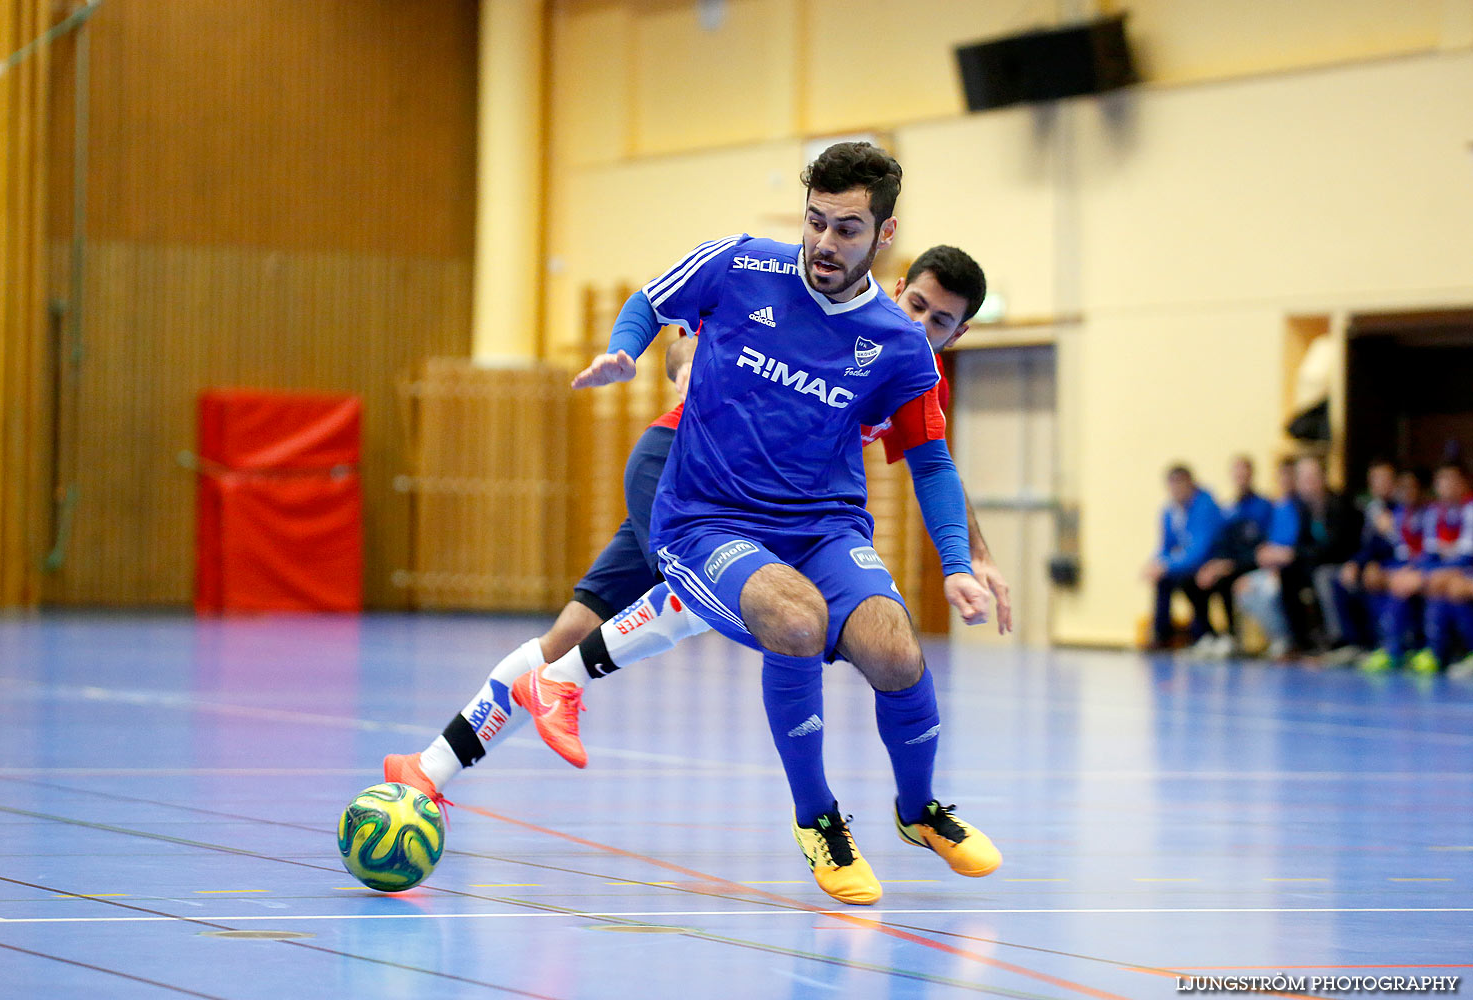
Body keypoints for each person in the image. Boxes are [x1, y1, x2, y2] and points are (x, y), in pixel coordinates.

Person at [385, 241, 1011, 895]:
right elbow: (702, 322)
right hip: (694, 481)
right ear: (897, 281)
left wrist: (974, 557)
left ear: (959, 333)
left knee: (571, 632)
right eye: (915, 305)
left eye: (938, 322)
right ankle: (560, 684)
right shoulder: (830, 310)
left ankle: (427, 767)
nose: (919, 325)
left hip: (752, 508)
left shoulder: (904, 367)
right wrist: (675, 354)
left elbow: (932, 462)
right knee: (727, 600)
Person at [550, 142, 999, 906]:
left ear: (883, 237)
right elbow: (650, 306)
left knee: (893, 647)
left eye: (848, 229)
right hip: (705, 520)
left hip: (824, 528)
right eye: (817, 221)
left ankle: (919, 809)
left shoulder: (898, 346)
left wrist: (957, 563)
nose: (826, 243)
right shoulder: (738, 264)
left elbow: (931, 463)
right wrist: (626, 352)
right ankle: (817, 817)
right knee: (794, 618)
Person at [1374, 462, 1473, 674]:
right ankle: (1395, 649)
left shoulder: (1469, 509)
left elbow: (1466, 555)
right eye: (1442, 480)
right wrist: (1417, 571)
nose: (1446, 485)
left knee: (1450, 587)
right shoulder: (1435, 512)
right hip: (1440, 566)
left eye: (1451, 480)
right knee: (1398, 580)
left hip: (1463, 568)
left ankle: (1443, 651)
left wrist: (1436, 572)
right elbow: (1431, 552)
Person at [1274, 454, 1361, 655]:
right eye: (1303, 479)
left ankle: (1340, 640)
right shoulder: (1303, 508)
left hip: (1343, 561)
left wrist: (1294, 554)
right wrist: (1289, 556)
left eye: (1311, 478)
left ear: (1323, 477)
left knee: (1322, 576)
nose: (1307, 484)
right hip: (1314, 561)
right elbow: (1302, 542)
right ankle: (1301, 641)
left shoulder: (1340, 504)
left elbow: (1335, 546)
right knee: (1287, 574)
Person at [1190, 456, 1273, 658]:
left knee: (1225, 581)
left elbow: (1261, 545)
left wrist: (1230, 564)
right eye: (1236, 472)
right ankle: (1208, 635)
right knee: (1193, 580)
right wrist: (1212, 564)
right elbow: (1220, 542)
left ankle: (1233, 636)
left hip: (1250, 563)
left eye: (1244, 471)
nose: (1240, 476)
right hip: (1228, 563)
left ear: (1251, 474)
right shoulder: (1227, 508)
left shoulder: (1263, 506)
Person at [1323, 459, 1399, 664]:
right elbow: (1367, 544)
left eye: (1385, 478)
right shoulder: (1370, 508)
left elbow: (1400, 547)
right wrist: (1356, 562)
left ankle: (1385, 644)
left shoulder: (1402, 509)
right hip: (1372, 562)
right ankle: (1352, 643)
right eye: (1375, 479)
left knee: (1372, 580)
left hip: (1394, 564)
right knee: (1333, 577)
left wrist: (1391, 530)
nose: (1379, 483)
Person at [1354, 470, 1430, 672]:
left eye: (1411, 488)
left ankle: (1412, 648)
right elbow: (1380, 547)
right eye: (1402, 488)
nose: (1406, 492)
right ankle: (1385, 645)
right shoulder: (1396, 514)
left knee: (1401, 587)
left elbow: (1429, 551)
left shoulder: (1429, 513)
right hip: (1399, 566)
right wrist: (1370, 565)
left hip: (1424, 567)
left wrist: (1413, 570)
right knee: (1373, 579)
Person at [1141, 465, 1223, 651]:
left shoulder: (1205, 506)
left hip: (1210, 562)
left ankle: (1204, 633)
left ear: (1191, 484)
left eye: (1180, 485)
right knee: (1162, 579)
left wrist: (1167, 564)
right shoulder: (1170, 512)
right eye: (1172, 486)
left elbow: (1200, 550)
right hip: (1187, 563)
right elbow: (1166, 547)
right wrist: (1155, 563)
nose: (1176, 490)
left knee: (1189, 580)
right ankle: (1162, 636)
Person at [1234, 458, 1299, 658]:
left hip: (1292, 568)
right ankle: (1277, 638)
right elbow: (1267, 542)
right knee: (1243, 588)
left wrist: (1281, 557)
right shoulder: (1277, 507)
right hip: (1272, 565)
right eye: (1281, 476)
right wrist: (1265, 554)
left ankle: (1287, 639)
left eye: (1289, 476)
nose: (1284, 481)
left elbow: (1296, 547)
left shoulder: (1300, 507)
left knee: (1270, 589)